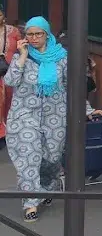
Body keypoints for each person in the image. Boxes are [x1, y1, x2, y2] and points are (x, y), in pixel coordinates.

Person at [4, 17, 73, 222]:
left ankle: (48, 187)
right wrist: (22, 56)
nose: (34, 38)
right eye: (30, 34)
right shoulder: (22, 56)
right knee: (29, 156)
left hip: (55, 116)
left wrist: (87, 110)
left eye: (38, 34)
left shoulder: (62, 58)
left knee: (51, 157)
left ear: (47, 34)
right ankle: (30, 202)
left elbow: (72, 88)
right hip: (25, 116)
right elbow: (10, 81)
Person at [0, 8, 19, 145]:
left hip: (9, 71)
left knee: (9, 100)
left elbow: (22, 49)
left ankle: (9, 130)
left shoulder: (13, 31)